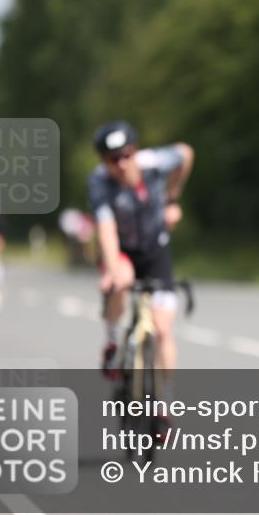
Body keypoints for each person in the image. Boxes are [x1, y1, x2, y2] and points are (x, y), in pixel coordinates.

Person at [87, 121, 193, 404]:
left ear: (135, 150)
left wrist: (172, 198)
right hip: (121, 249)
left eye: (127, 154)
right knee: (118, 281)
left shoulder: (154, 163)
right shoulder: (100, 182)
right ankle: (112, 342)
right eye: (113, 159)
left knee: (162, 329)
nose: (122, 164)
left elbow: (186, 153)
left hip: (155, 249)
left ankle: (165, 397)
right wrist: (114, 267)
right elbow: (106, 228)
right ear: (104, 161)